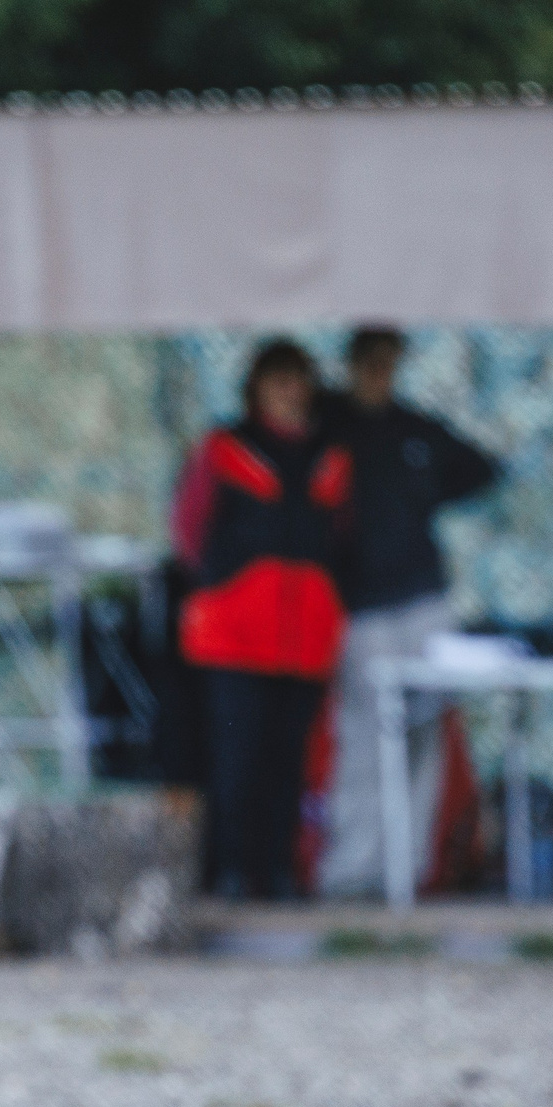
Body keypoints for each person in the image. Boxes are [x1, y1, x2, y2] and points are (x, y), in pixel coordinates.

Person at [312, 327, 501, 900]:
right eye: (368, 361)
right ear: (350, 363)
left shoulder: (415, 429)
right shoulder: (329, 426)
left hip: (424, 603)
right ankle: (354, 873)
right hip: (362, 609)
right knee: (364, 739)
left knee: (425, 737)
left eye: (388, 361)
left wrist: (422, 493)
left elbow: (481, 467)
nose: (379, 372)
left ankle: (413, 870)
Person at [173, 338, 350, 900]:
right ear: (256, 389)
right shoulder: (224, 449)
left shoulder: (331, 457)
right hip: (234, 636)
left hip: (305, 638)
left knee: (290, 759)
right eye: (278, 381)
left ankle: (278, 870)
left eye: (298, 380)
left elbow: (343, 538)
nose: (290, 392)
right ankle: (228, 871)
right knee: (235, 757)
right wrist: (226, 583)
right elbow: (188, 532)